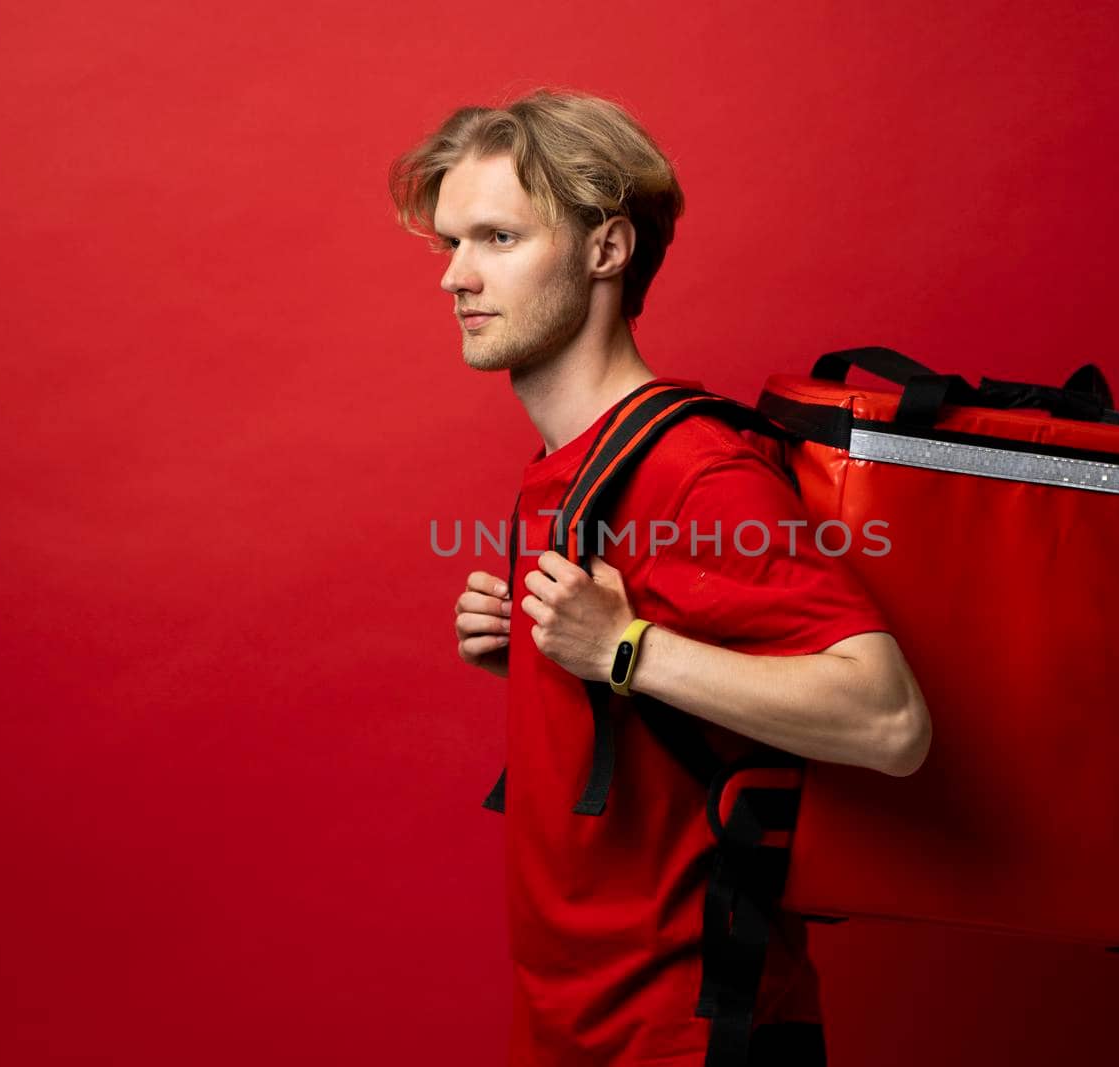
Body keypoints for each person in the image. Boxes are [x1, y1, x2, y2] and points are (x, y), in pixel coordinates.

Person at [390, 87, 931, 1067]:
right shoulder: (570, 465)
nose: (455, 279)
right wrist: (546, 662)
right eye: (449, 245)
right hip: (573, 1026)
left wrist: (622, 646)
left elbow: (889, 720)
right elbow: (660, 706)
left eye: (498, 239)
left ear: (607, 250)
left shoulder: (695, 470)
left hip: (691, 1033)